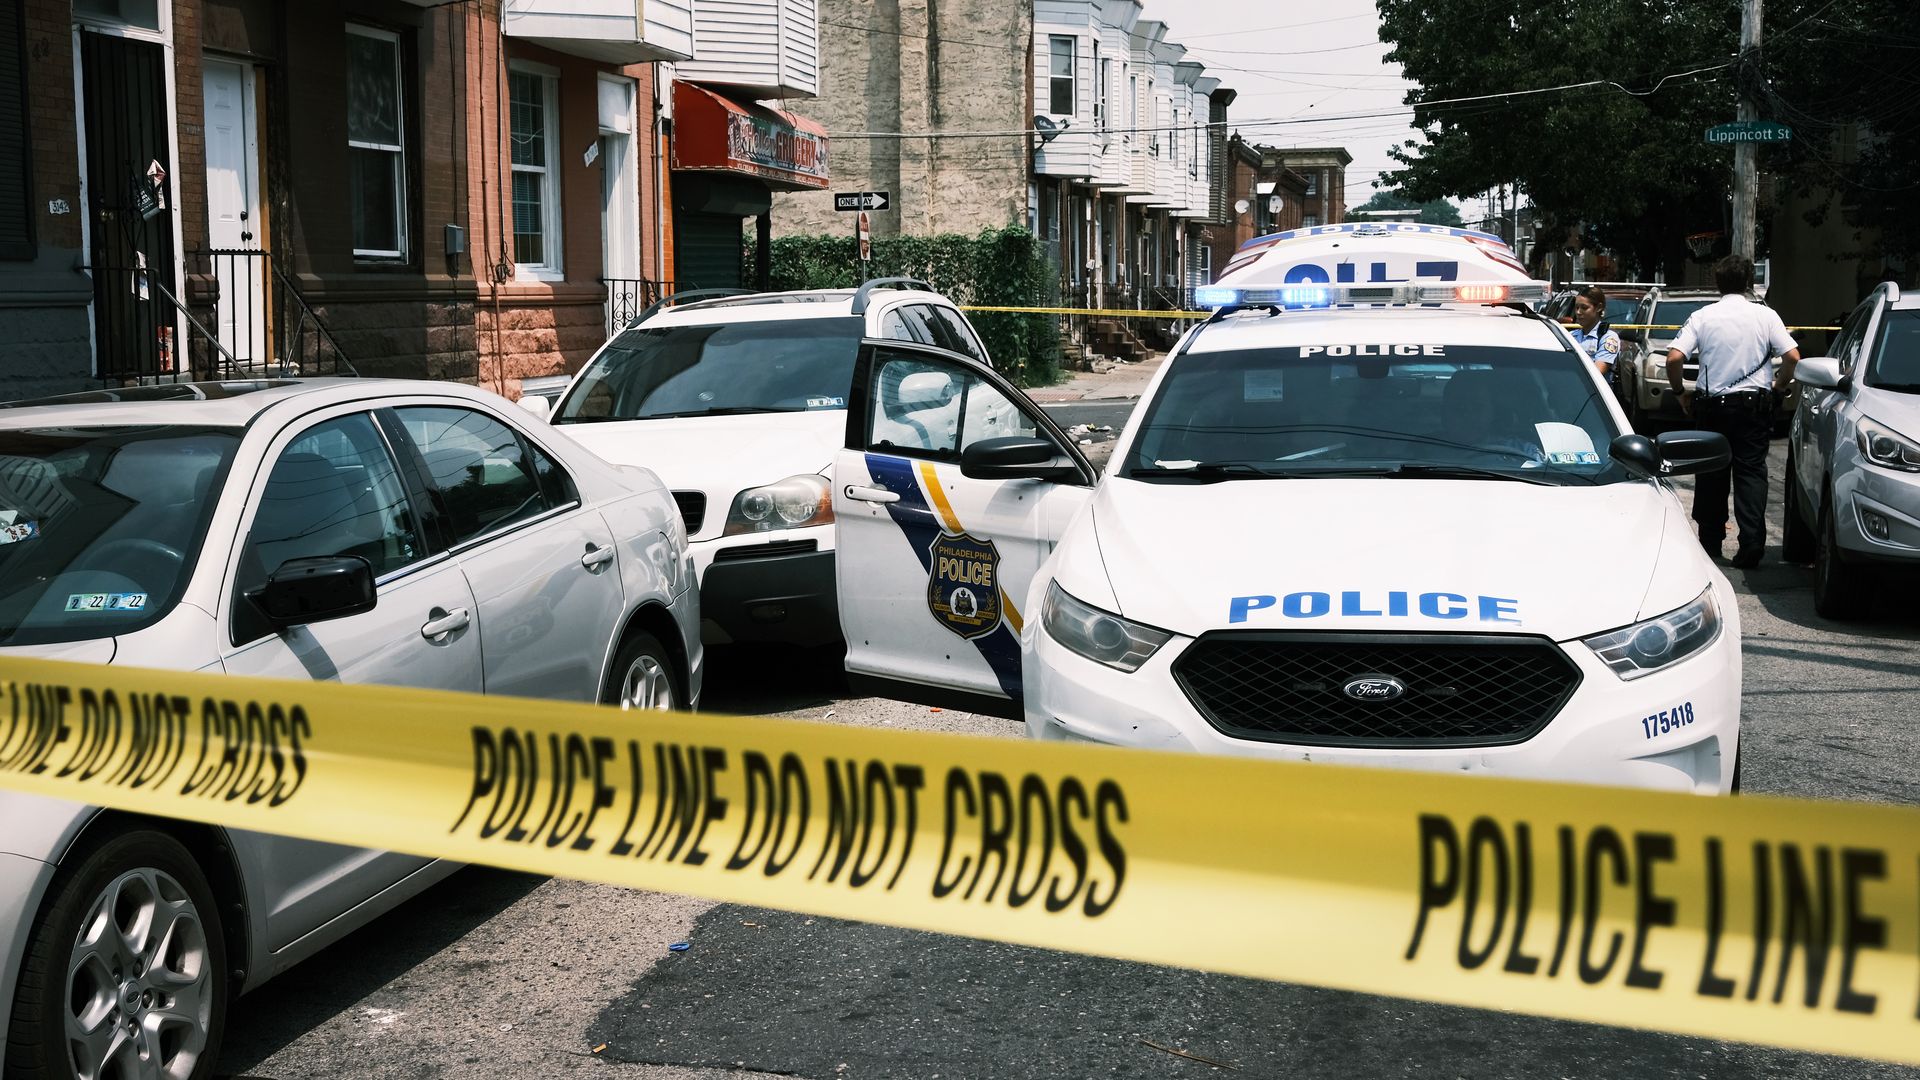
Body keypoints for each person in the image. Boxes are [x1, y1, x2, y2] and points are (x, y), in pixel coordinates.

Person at [1665, 255, 1801, 569]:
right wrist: (1778, 388)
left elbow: (1674, 358)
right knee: (1751, 473)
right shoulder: (1765, 316)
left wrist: (1679, 392)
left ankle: (1711, 542)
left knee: (1712, 473)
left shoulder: (1703, 316)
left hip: (1712, 406)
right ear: (1748, 283)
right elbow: (1792, 356)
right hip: (1754, 406)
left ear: (1717, 283)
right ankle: (1751, 542)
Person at [1569, 286, 1621, 380]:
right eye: (1576, 307)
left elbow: (1597, 372)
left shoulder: (1608, 338)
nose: (1578, 312)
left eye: (1584, 308)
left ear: (1599, 308)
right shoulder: (1570, 336)